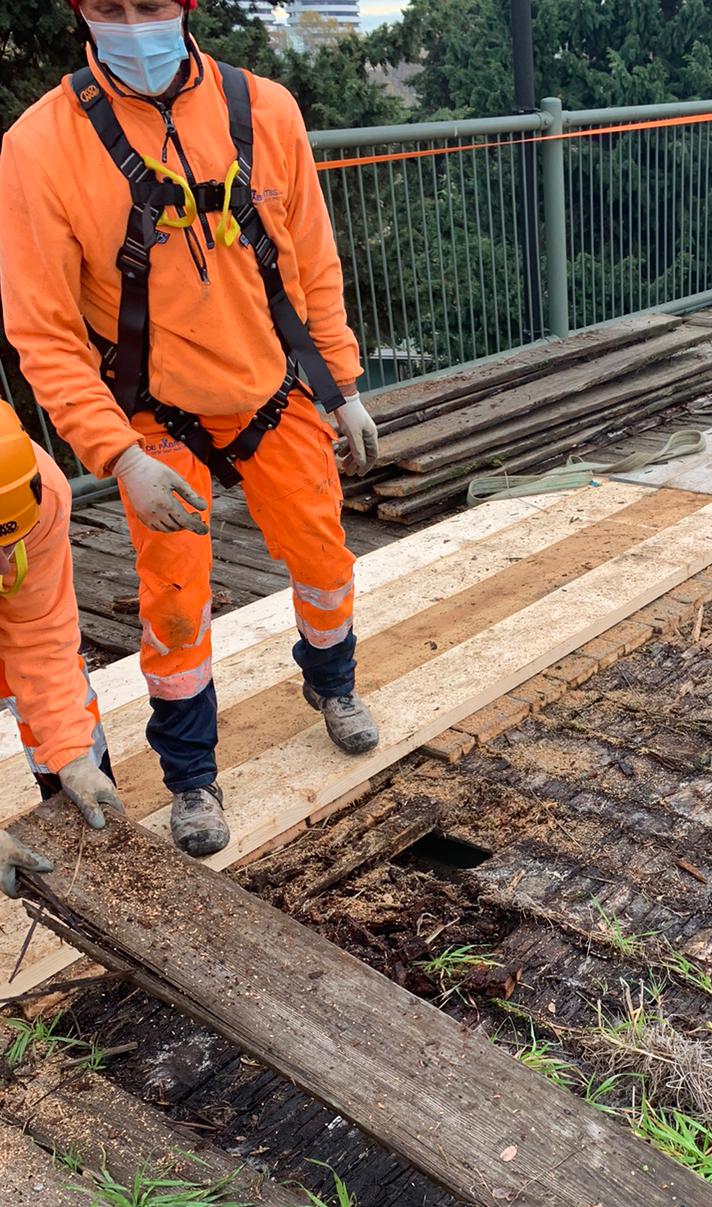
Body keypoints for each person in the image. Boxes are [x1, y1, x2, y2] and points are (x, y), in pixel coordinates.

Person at [0, 0, 382, 860]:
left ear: (186, 6)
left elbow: (310, 262)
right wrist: (119, 456)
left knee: (324, 561)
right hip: (153, 416)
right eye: (110, 7)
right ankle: (191, 776)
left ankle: (333, 684)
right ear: (80, 11)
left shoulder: (262, 109)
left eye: (150, 5)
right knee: (175, 605)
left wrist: (342, 383)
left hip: (272, 393)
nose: (134, 23)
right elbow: (45, 333)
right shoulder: (41, 144)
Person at [0, 402, 123, 897]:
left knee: (62, 725)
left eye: (7, 543)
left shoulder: (37, 489)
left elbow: (41, 633)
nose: (4, 567)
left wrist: (71, 755)